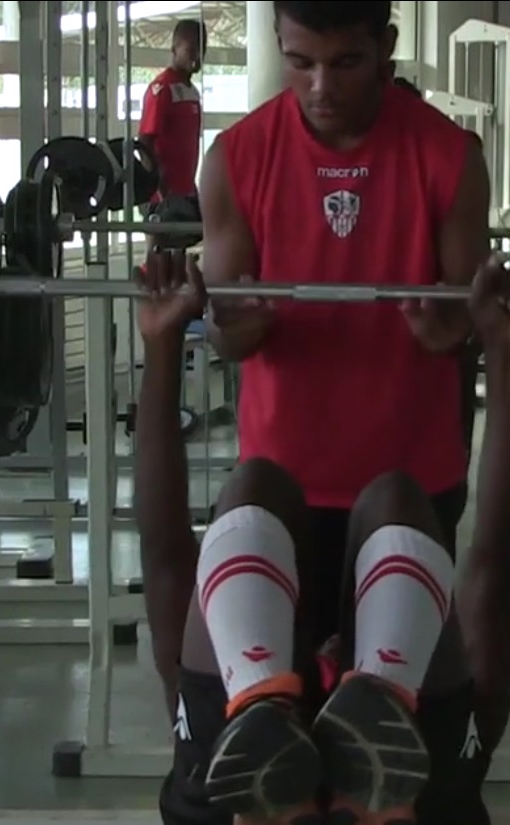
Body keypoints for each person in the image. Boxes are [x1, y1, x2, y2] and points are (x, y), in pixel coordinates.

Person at [133, 251, 510, 825]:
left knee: (375, 502)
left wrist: (502, 356)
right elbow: (168, 565)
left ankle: (337, 695)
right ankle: (276, 698)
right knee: (292, 492)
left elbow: (497, 572)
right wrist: (162, 342)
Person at [197, 3, 487, 672]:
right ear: (279, 44)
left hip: (414, 487)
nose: (321, 87)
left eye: (345, 63)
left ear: (386, 45)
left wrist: (449, 328)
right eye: (300, 63)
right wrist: (233, 328)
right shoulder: (236, 158)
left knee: (396, 706)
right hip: (281, 491)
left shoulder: (449, 156)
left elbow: (466, 322)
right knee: (276, 702)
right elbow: (224, 330)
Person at [139, 19, 207, 201]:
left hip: (187, 192)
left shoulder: (192, 92)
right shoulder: (162, 88)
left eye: (202, 50)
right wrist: (159, 187)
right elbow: (145, 141)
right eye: (191, 50)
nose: (197, 57)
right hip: (164, 197)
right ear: (175, 49)